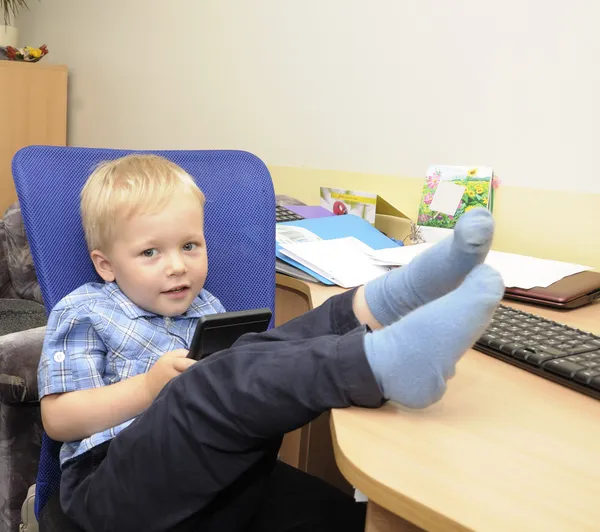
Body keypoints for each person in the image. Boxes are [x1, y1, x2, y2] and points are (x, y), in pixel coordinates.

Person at [37, 154, 504, 532]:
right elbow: (58, 419)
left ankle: (393, 297)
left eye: (190, 246)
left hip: (218, 477)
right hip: (110, 486)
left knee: (267, 347)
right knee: (209, 384)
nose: (177, 266)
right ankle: (384, 365)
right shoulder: (87, 312)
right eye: (150, 252)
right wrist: (146, 389)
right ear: (105, 264)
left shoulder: (205, 305)